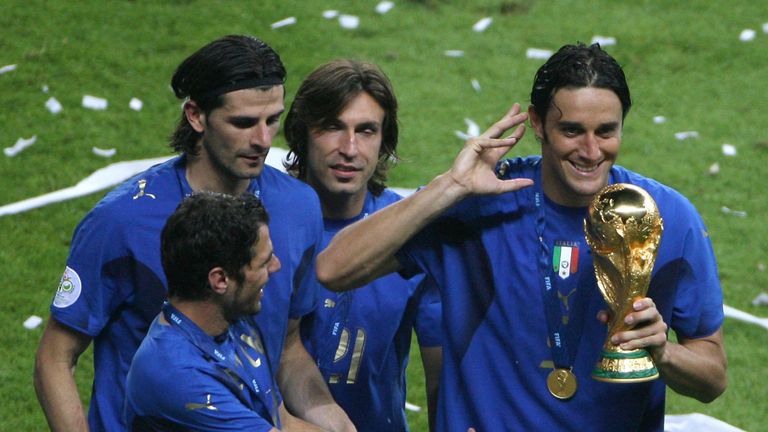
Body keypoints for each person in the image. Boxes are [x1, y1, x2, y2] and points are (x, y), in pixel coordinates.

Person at [315, 43, 727, 431]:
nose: (590, 150)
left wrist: (664, 352)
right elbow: (334, 269)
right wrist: (450, 186)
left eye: (606, 131)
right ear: (537, 124)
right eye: (571, 130)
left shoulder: (666, 218)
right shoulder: (480, 202)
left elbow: (713, 379)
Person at [34, 35, 353, 432]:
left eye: (272, 120)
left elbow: (287, 346)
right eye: (243, 123)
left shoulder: (299, 207)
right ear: (196, 116)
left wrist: (328, 416)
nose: (263, 140)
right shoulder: (122, 220)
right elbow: (55, 357)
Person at [284, 59, 443, 431]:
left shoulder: (411, 231)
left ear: (384, 140)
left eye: (366, 130)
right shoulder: (262, 223)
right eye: (332, 127)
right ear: (302, 134)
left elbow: (439, 376)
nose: (350, 148)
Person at [125, 192, 287, 430]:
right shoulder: (177, 374)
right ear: (220, 280)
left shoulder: (232, 320)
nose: (276, 266)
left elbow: (283, 421)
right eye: (264, 262)